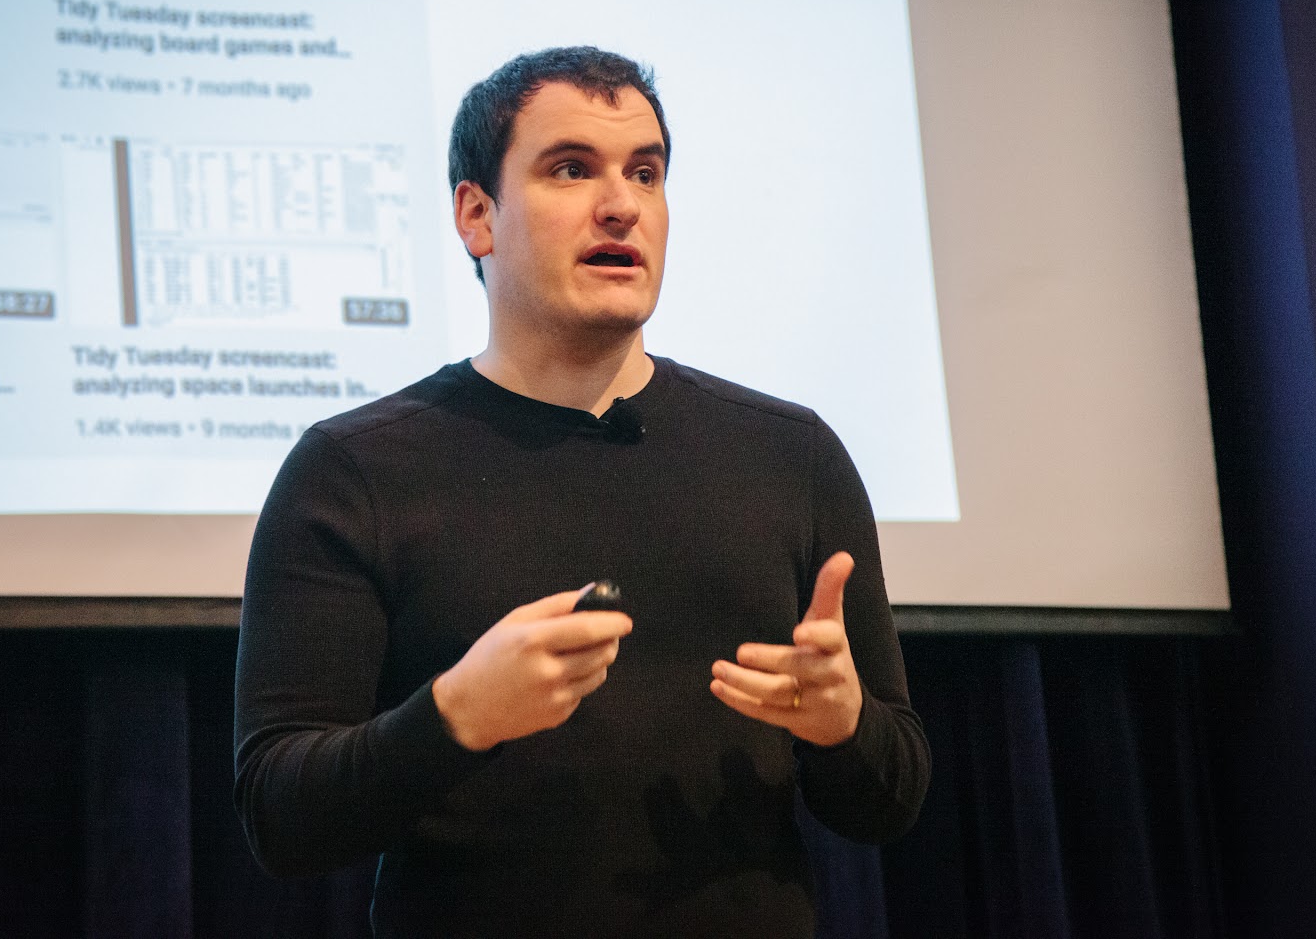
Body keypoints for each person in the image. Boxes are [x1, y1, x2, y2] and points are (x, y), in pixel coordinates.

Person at [234, 46, 930, 936]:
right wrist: (455, 715)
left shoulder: (792, 455)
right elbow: (280, 816)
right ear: (476, 215)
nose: (621, 204)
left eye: (646, 172)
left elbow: (891, 798)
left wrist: (844, 724)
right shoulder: (353, 470)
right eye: (571, 169)